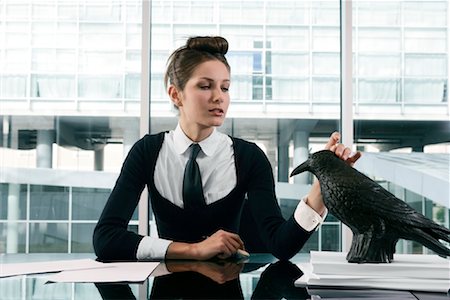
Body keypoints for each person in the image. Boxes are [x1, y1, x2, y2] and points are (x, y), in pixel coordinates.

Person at [93, 36, 361, 262]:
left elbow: (281, 245)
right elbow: (105, 238)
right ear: (176, 95)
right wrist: (194, 250)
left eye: (225, 87)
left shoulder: (249, 157)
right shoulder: (147, 152)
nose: (218, 97)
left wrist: (322, 186)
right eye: (205, 86)